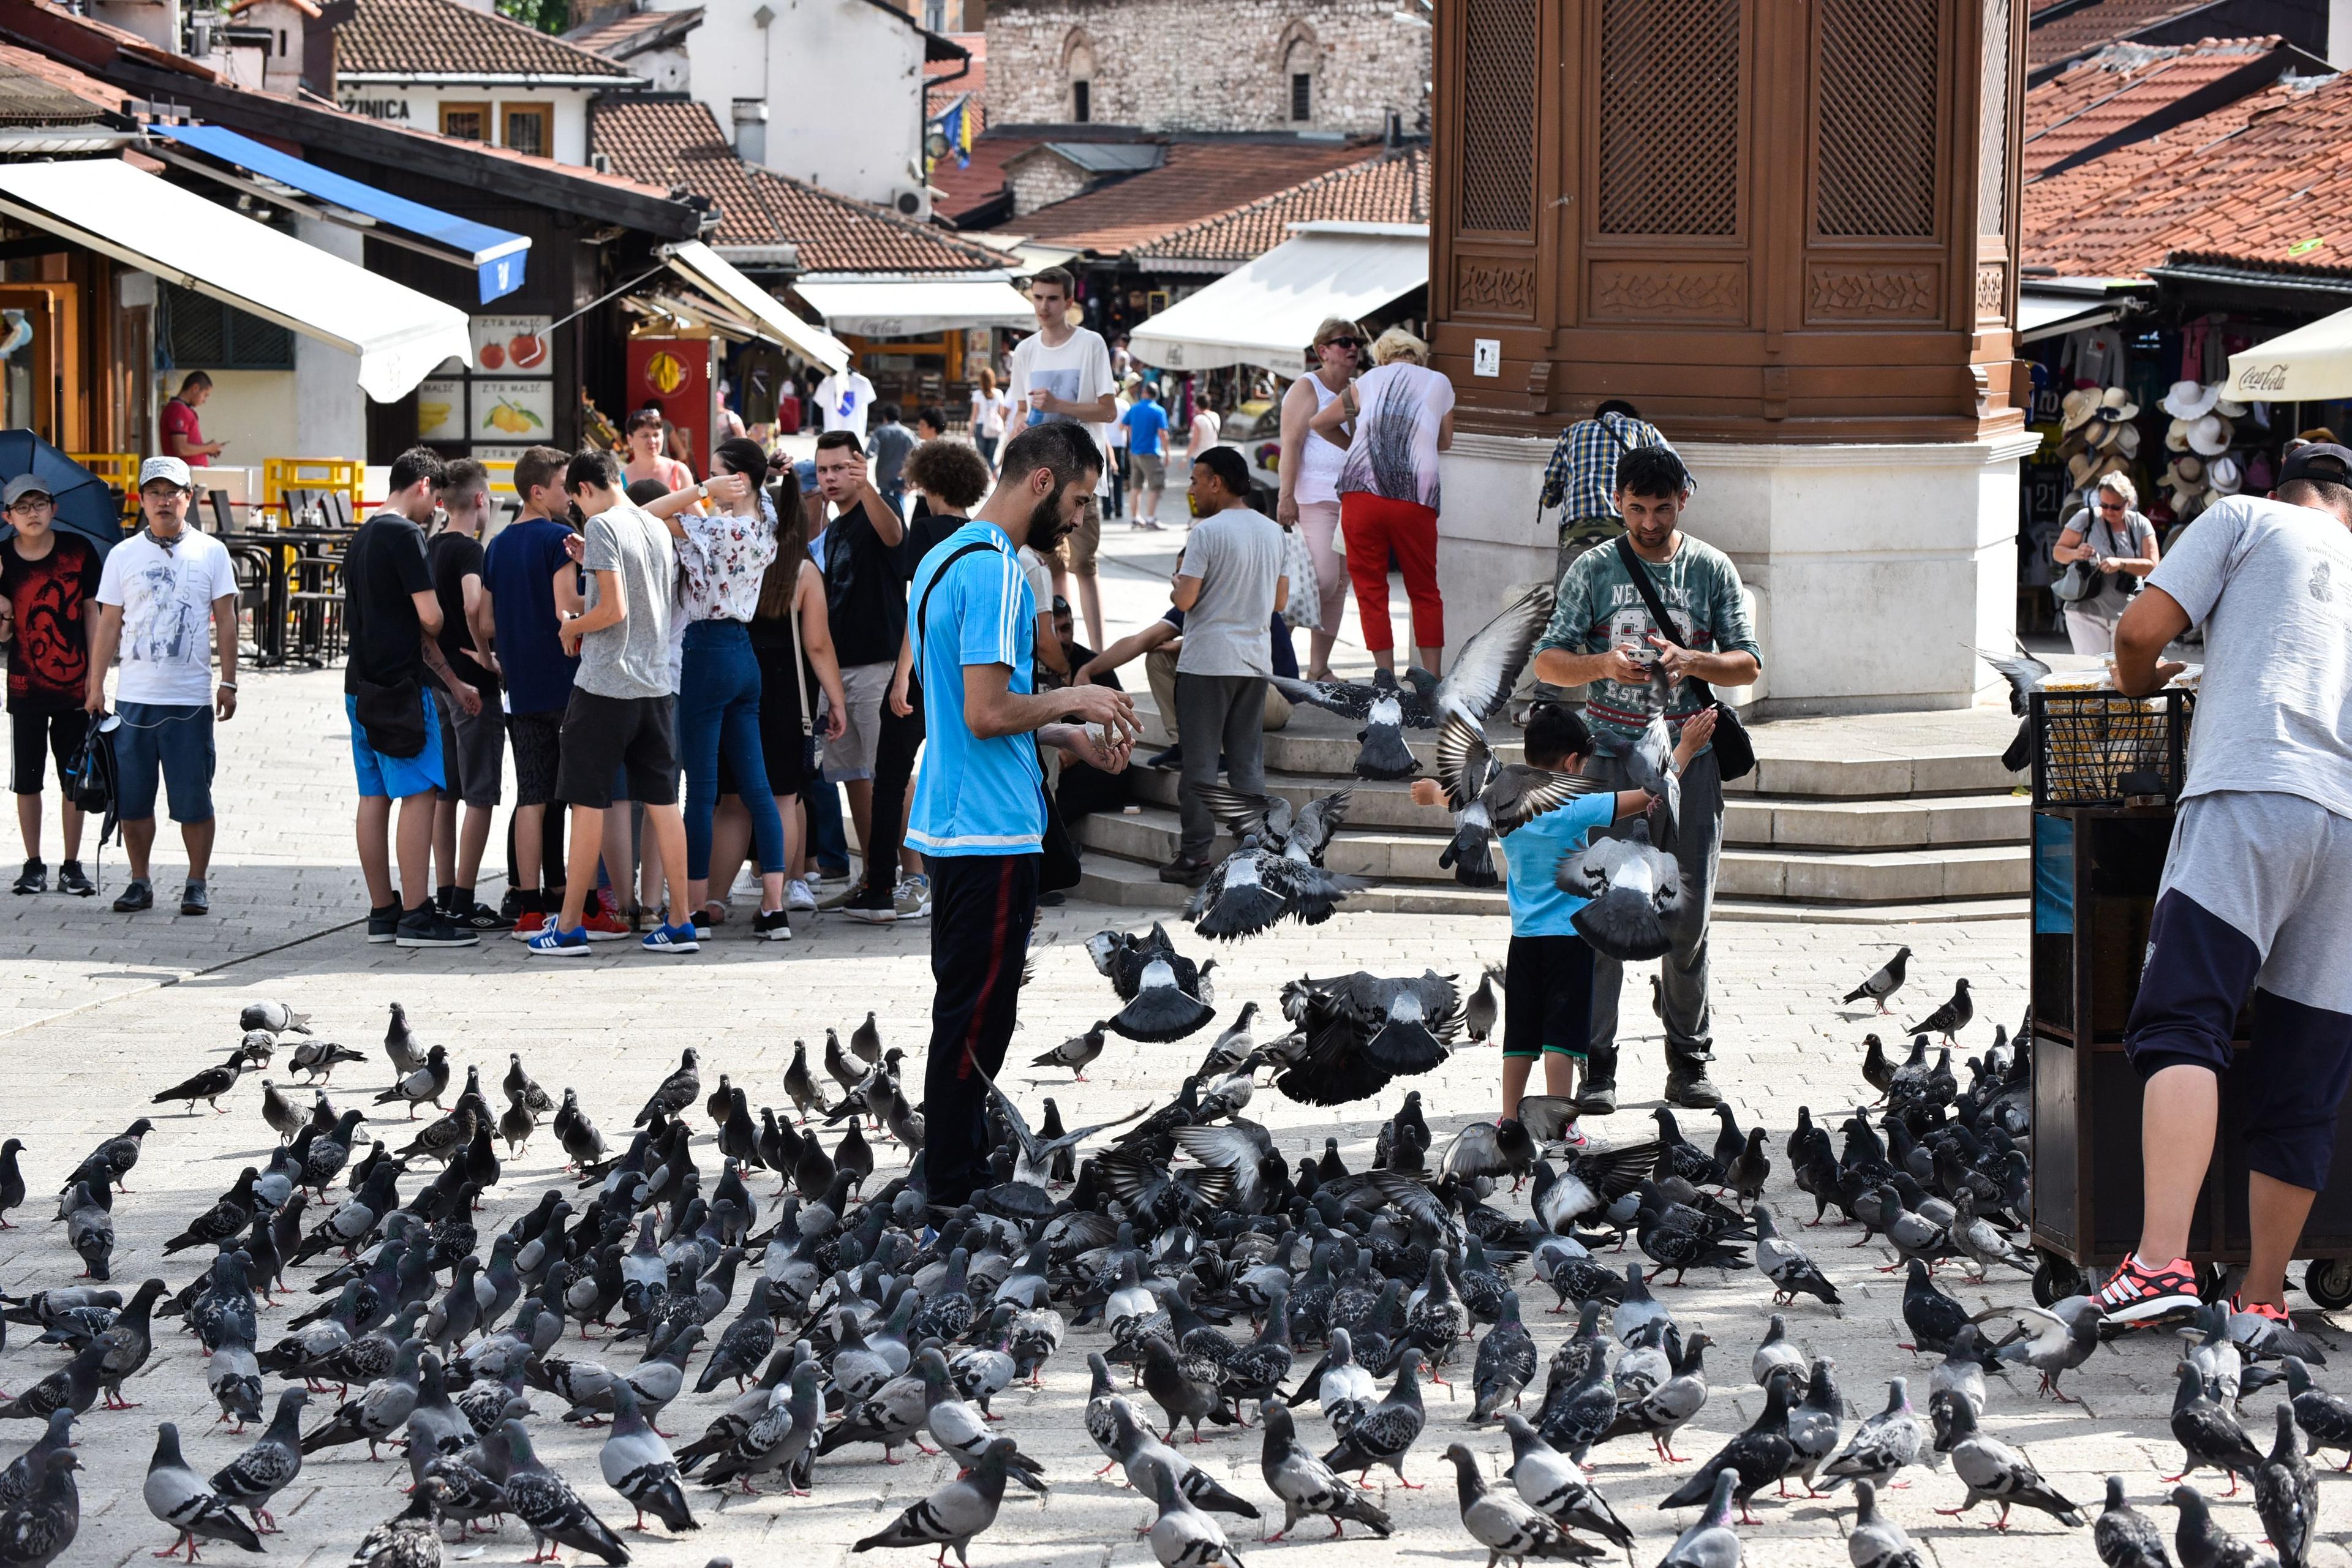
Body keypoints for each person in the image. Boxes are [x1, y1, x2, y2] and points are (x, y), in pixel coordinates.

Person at [2095, 442, 2352, 1326]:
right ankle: (2265, 1300)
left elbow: (2136, 633)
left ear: (2285, 489)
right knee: (2306, 1064)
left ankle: (2162, 1262)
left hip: (2253, 786)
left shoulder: (2245, 516)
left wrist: (2138, 686)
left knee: (2183, 1018)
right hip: (2350, 826)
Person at [905, 420, 1139, 1206]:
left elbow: (957, 705)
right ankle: (952, 1181)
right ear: (1041, 483)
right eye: (1077, 499)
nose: (1078, 518)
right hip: (992, 824)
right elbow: (984, 710)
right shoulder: (1003, 574)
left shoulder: (942, 555)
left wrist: (1065, 730)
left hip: (953, 814)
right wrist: (1075, 692)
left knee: (964, 1000)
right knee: (980, 1015)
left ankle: (949, 1161)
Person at [1529, 444, 1762, 1111]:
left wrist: (1693, 660)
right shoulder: (1594, 568)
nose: (1650, 521)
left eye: (1662, 508)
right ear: (1616, 503)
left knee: (1687, 917)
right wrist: (1602, 664)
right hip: (1605, 757)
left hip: (1694, 761)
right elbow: (1548, 662)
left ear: (1683, 499)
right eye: (1637, 508)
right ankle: (1595, 1068)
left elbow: (1748, 664)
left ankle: (1689, 1061)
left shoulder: (1712, 568)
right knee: (1601, 917)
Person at [1496, 701, 1712, 1124]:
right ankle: (1560, 1126)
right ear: (1573, 763)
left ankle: (1508, 1121)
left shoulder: (1505, 809)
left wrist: (1433, 792)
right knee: (1561, 1038)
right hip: (1569, 941)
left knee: (1520, 1037)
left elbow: (1461, 797)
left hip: (1522, 940)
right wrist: (1684, 749)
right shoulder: (1576, 809)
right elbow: (1654, 794)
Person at [528, 450, 698, 956]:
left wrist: (570, 626)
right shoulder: (655, 526)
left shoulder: (602, 526)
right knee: (665, 805)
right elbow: (644, 597)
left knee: (589, 804)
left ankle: (568, 927)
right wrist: (591, 563)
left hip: (605, 685)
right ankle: (681, 921)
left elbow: (613, 610)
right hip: (655, 685)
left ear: (582, 489)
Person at [84, 456, 238, 916]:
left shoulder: (212, 552)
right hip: (135, 697)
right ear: (143, 500)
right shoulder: (123, 554)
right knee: (133, 799)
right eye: (155, 493)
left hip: (190, 698)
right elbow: (109, 624)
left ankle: (196, 882)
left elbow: (226, 620)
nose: (164, 501)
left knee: (194, 798)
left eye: (173, 493)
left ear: (189, 498)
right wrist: (96, 685)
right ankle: (140, 880)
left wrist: (229, 681)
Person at [342, 447, 481, 948]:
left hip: (359, 686)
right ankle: (419, 914)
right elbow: (431, 618)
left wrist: (452, 680)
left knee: (374, 795)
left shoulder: (362, 535)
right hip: (401, 687)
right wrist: (440, 616)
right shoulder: (403, 533)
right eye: (435, 500)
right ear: (423, 485)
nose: (436, 512)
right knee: (420, 793)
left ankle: (384, 909)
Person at [856, 437, 997, 925]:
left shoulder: (927, 531)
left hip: (921, 673)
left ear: (926, 480)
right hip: (964, 673)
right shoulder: (981, 533)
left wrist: (902, 676)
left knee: (891, 780)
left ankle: (878, 888)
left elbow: (918, 607)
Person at [705, 469, 849, 924]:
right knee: (783, 799)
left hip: (734, 680)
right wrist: (836, 699)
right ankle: (775, 902)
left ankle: (713, 899)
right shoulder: (802, 570)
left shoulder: (739, 556)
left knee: (732, 801)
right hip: (788, 691)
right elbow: (819, 644)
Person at [667, 437, 792, 941]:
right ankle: (775, 908)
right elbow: (764, 494)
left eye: (719, 473)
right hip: (745, 653)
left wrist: (699, 489)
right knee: (758, 788)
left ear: (737, 479)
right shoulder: (766, 523)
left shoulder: (714, 528)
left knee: (701, 791)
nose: (711, 481)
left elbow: (644, 512)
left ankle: (695, 908)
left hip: (706, 649)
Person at [480, 446, 596, 940]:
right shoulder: (561, 539)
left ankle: (528, 907)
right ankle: (583, 905)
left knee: (532, 795)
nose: (570, 494)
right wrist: (603, 586)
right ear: (537, 490)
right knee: (581, 799)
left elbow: (483, 621)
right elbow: (566, 607)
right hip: (568, 682)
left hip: (522, 687)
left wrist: (497, 656)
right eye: (564, 485)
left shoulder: (498, 545)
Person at [1158, 447, 1287, 887]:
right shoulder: (1274, 533)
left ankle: (1195, 857)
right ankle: (1253, 852)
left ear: (1218, 482)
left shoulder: (1206, 533)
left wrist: (1177, 585)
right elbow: (1280, 604)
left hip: (1207, 662)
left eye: (1196, 480)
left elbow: (1187, 600)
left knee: (1200, 765)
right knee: (1247, 762)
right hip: (1254, 662)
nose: (1192, 489)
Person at [1309, 326, 1454, 676]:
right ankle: (1431, 679)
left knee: (1371, 589)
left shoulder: (1368, 381)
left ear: (1383, 356)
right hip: (1414, 498)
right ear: (1417, 355)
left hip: (1362, 494)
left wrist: (1356, 445)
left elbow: (1319, 422)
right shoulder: (1439, 382)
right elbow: (1445, 440)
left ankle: (1385, 678)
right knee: (1424, 589)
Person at [812, 431, 907, 907]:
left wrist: (868, 486)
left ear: (857, 465)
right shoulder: (834, 527)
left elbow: (895, 537)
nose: (830, 478)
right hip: (839, 670)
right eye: (823, 470)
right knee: (855, 776)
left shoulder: (878, 508)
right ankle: (875, 878)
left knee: (891, 773)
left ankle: (914, 880)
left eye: (838, 469)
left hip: (878, 666)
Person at [423, 458, 510, 933]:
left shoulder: (430, 545)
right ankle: (464, 898)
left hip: (437, 681)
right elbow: (475, 605)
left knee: (445, 793)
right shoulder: (471, 552)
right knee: (480, 795)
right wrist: (486, 657)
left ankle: (443, 893)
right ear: (481, 500)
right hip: (472, 686)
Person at [1006, 267, 1114, 650]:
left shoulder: (1090, 344)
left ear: (1069, 302)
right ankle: (1058, 647)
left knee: (1083, 563)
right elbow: (1018, 410)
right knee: (1046, 562)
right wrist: (1017, 430)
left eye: (1052, 298)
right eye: (1037, 297)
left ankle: (1099, 655)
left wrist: (1058, 405)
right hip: (1041, 473)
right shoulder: (1025, 350)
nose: (1043, 306)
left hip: (1082, 470)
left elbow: (1108, 410)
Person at [1, 474, 99, 896]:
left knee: (72, 778)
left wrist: (97, 676)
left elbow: (93, 613)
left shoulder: (79, 552)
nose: (32, 514)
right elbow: (3, 638)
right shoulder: (2, 560)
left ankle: (72, 864)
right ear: (8, 517)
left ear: (54, 509)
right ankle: (33, 863)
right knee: (27, 779)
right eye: (22, 508)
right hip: (24, 686)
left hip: (75, 686)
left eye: (39, 504)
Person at [1275, 318, 1363, 677]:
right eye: (1344, 342)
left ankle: (1318, 668)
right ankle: (1275, 652)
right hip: (1315, 496)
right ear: (1323, 350)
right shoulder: (1307, 387)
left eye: (1356, 342)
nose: (1353, 348)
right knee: (1320, 580)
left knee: (1341, 584)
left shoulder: (1358, 388)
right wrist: (1286, 495)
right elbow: (1291, 444)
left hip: (1351, 498)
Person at [1539, 399, 1686, 581]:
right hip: (1625, 528)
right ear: (1631, 417)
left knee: (1569, 598)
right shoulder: (1642, 429)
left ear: (1597, 418)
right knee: (1624, 598)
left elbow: (1550, 491)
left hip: (1577, 530)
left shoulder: (1572, 432)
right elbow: (1682, 478)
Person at [2053, 473, 2161, 655]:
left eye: (2115, 507)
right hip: (2085, 610)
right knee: (2092, 673)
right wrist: (2076, 553)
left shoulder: (2140, 524)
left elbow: (2153, 566)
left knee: (2121, 674)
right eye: (2104, 505)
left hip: (2125, 613)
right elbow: (2058, 553)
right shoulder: (2086, 518)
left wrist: (2121, 564)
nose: (2109, 511)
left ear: (2129, 502)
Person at [1121, 383, 1170, 531]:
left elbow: (1124, 425)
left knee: (1136, 487)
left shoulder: (1134, 408)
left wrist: (1133, 437)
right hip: (1150, 452)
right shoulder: (1159, 411)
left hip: (1135, 453)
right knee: (1156, 485)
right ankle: (1150, 518)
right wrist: (1168, 452)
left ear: (1144, 393)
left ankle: (1135, 518)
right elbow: (1163, 433)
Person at [622, 408, 695, 496]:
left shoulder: (679, 471)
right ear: (630, 440)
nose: (652, 441)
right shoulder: (620, 479)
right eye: (645, 436)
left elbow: (693, 508)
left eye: (656, 435)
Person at [160, 372, 224, 467]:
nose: (205, 401)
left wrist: (208, 449)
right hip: (185, 474)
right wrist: (209, 448)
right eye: (205, 395)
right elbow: (181, 449)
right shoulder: (178, 410)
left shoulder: (184, 409)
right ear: (195, 388)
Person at [869, 404, 916, 521]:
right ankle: (900, 523)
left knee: (884, 499)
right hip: (901, 473)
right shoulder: (907, 433)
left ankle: (885, 523)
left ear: (885, 417)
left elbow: (870, 452)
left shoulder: (880, 431)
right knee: (900, 498)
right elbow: (915, 451)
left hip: (883, 473)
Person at [814, 359, 878, 440]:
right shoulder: (862, 382)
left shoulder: (826, 383)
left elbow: (820, 401)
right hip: (854, 436)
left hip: (835, 437)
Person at [968, 366, 1008, 470]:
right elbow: (1002, 413)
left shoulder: (977, 394)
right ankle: (992, 478)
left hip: (981, 425)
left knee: (981, 458)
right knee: (991, 456)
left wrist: (970, 432)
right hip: (995, 427)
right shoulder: (999, 393)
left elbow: (974, 415)